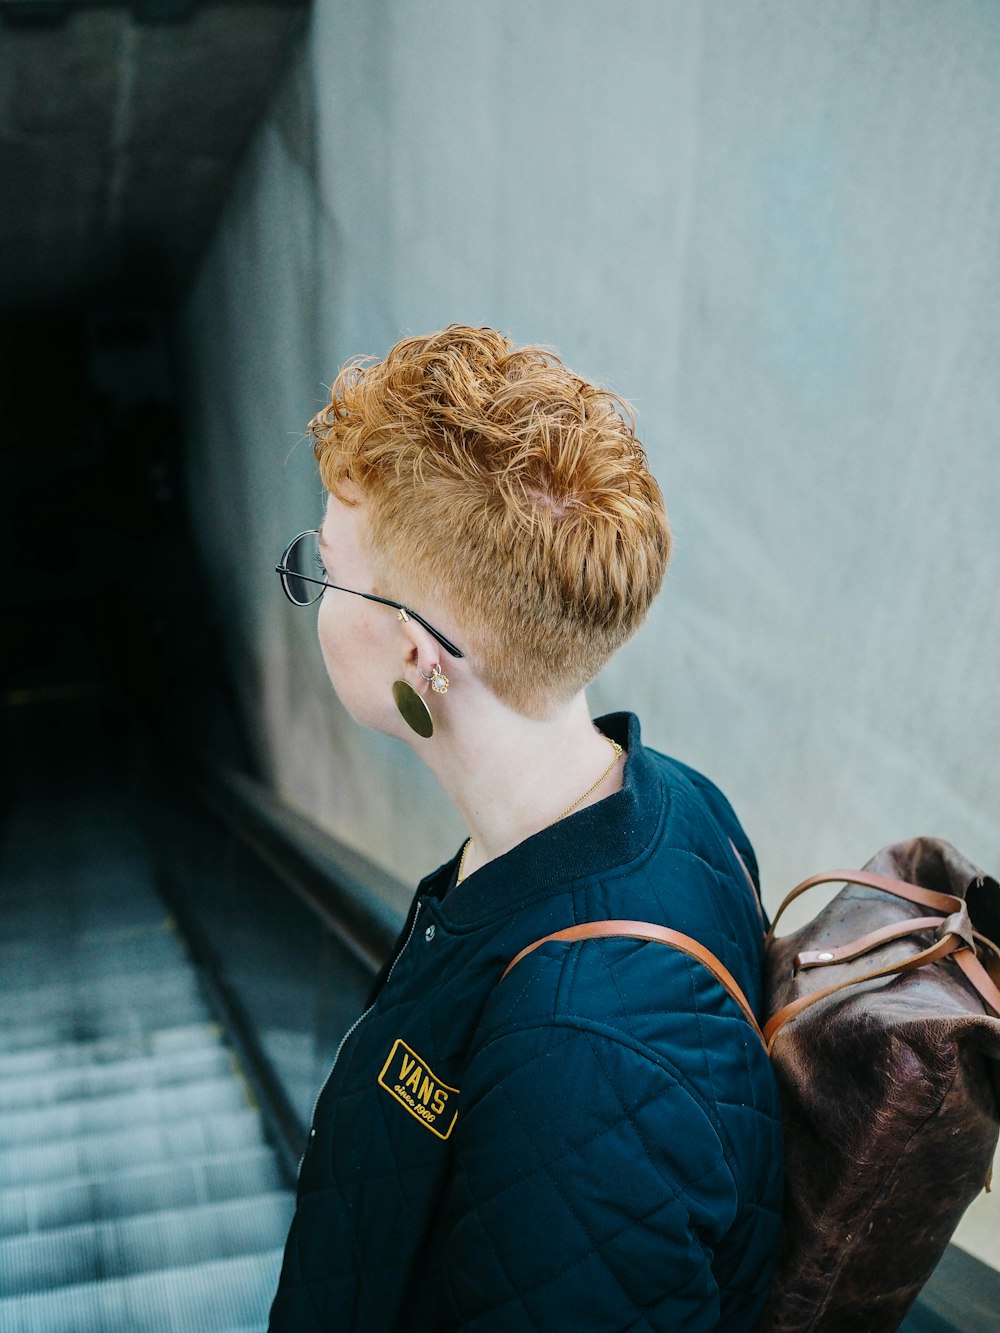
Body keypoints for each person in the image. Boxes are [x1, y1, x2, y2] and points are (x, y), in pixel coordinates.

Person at [269, 325, 782, 1331]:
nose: (312, 593)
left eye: (322, 568)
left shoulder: (582, 1068)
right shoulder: (672, 798)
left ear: (421, 657)